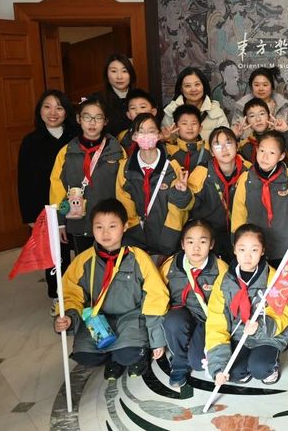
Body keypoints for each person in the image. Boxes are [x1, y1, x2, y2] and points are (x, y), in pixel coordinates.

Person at [53, 199, 169, 380]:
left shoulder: (138, 257)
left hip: (131, 316)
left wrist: (157, 339)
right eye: (99, 227)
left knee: (129, 355)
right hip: (98, 318)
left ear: (125, 226)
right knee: (84, 356)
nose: (105, 233)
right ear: (92, 228)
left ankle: (128, 355)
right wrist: (68, 316)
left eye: (112, 226)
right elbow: (70, 292)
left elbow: (156, 296)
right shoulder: (83, 260)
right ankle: (113, 356)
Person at [206, 224, 288, 385]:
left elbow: (281, 314)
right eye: (242, 249)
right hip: (239, 335)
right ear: (234, 249)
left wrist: (259, 326)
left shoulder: (273, 278)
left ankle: (270, 367)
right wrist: (218, 367)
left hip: (267, 336)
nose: (247, 256)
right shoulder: (224, 281)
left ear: (263, 251)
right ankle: (244, 367)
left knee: (260, 368)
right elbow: (216, 322)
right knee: (232, 372)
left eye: (254, 250)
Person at [18, 90, 78, 306]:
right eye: (47, 107)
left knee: (81, 251)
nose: (53, 113)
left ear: (66, 112)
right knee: (55, 255)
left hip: (77, 205)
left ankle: (82, 295)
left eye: (59, 108)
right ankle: (58, 298)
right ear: (40, 110)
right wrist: (30, 216)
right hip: (48, 209)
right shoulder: (31, 142)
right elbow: (25, 181)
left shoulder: (76, 137)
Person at [50, 97, 125, 255]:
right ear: (79, 119)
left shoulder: (117, 151)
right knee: (84, 262)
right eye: (87, 117)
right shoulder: (67, 152)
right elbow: (57, 188)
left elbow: (125, 186)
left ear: (105, 121)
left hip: (110, 221)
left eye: (98, 118)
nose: (92, 123)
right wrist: (59, 222)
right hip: (79, 220)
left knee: (111, 263)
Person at [160, 219, 228, 388]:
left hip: (207, 319)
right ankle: (179, 364)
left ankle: (192, 347)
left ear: (211, 244)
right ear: (182, 244)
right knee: (173, 321)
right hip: (181, 314)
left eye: (202, 242)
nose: (196, 248)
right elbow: (158, 296)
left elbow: (227, 303)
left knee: (198, 363)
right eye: (190, 242)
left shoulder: (220, 268)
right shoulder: (170, 266)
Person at [115, 113, 193, 256]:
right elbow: (124, 204)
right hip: (136, 242)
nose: (146, 136)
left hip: (168, 243)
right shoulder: (125, 168)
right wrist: (135, 236)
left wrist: (168, 240)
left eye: (151, 131)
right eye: (141, 132)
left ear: (158, 135)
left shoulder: (172, 167)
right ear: (134, 136)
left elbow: (179, 210)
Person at [231, 131, 288, 266]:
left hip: (285, 244)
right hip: (255, 247)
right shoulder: (246, 178)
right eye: (262, 150)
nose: (265, 157)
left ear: (281, 156)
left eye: (272, 153)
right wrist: (237, 239)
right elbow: (238, 212)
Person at [188, 126, 251, 261]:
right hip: (210, 234)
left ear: (237, 146)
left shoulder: (249, 171)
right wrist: (181, 193)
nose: (224, 149)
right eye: (217, 145)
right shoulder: (202, 172)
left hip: (241, 233)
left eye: (228, 143)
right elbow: (189, 206)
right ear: (211, 151)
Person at [161, 66, 229, 143]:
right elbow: (163, 140)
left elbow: (227, 140)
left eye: (197, 84)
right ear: (181, 89)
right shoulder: (171, 110)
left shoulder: (216, 112)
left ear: (204, 86)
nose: (193, 89)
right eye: (187, 86)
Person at [234, 98, 288, 166]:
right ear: (247, 122)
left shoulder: (281, 138)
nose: (258, 119)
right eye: (252, 116)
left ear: (269, 117)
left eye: (262, 114)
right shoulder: (245, 144)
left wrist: (286, 131)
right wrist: (235, 138)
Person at [94, 54, 137, 137]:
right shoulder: (96, 100)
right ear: (106, 74)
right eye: (114, 71)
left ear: (131, 74)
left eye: (124, 71)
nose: (119, 77)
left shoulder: (141, 98)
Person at [165, 104, 210, 173]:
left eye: (194, 123)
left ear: (200, 128)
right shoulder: (168, 149)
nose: (190, 128)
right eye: (184, 123)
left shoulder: (209, 148)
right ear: (175, 128)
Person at [118, 89, 158, 155]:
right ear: (128, 115)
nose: (138, 111)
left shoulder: (162, 134)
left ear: (153, 112)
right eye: (133, 108)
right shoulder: (122, 136)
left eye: (142, 107)